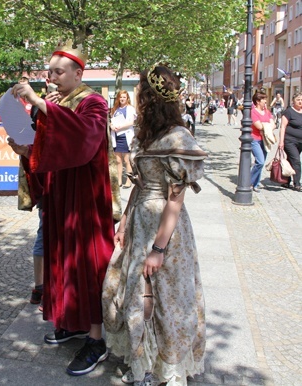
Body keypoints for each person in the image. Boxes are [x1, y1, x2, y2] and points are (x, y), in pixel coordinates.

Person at [7, 40, 114, 376]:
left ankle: (96, 339)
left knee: (87, 262)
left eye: (58, 71)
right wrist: (26, 150)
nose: (51, 77)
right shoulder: (55, 102)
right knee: (62, 260)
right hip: (59, 195)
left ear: (78, 73)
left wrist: (38, 102)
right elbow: (50, 148)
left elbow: (83, 138)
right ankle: (72, 320)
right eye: (48, 71)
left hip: (84, 199)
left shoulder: (94, 102)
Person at [102, 63, 207, 386]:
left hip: (165, 229)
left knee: (167, 298)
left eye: (140, 93)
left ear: (151, 98)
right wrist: (125, 221)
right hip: (140, 222)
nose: (136, 98)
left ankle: (162, 369)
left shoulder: (178, 137)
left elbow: (175, 201)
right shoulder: (150, 135)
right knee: (133, 292)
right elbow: (138, 183)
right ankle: (142, 362)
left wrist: (159, 249)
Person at [110, 90, 136, 188]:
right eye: (120, 97)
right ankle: (119, 180)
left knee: (126, 160)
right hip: (117, 137)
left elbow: (131, 122)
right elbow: (112, 121)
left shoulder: (130, 109)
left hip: (126, 136)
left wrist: (120, 127)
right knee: (118, 160)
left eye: (124, 97)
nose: (122, 99)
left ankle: (129, 180)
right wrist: (112, 126)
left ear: (127, 98)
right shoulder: (115, 109)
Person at [250, 89, 274, 192]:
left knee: (261, 162)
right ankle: (248, 182)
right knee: (259, 161)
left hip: (264, 140)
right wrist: (267, 126)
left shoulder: (267, 112)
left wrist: (266, 126)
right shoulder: (253, 112)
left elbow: (274, 125)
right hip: (254, 139)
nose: (265, 101)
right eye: (263, 99)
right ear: (258, 101)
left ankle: (255, 184)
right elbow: (258, 126)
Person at [278, 92, 302, 191]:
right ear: (293, 101)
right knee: (296, 160)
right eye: (298, 100)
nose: (300, 102)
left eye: (301, 100)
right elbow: (283, 127)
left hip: (300, 141)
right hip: (290, 141)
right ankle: (297, 183)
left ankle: (285, 181)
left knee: (290, 160)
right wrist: (281, 141)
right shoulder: (289, 112)